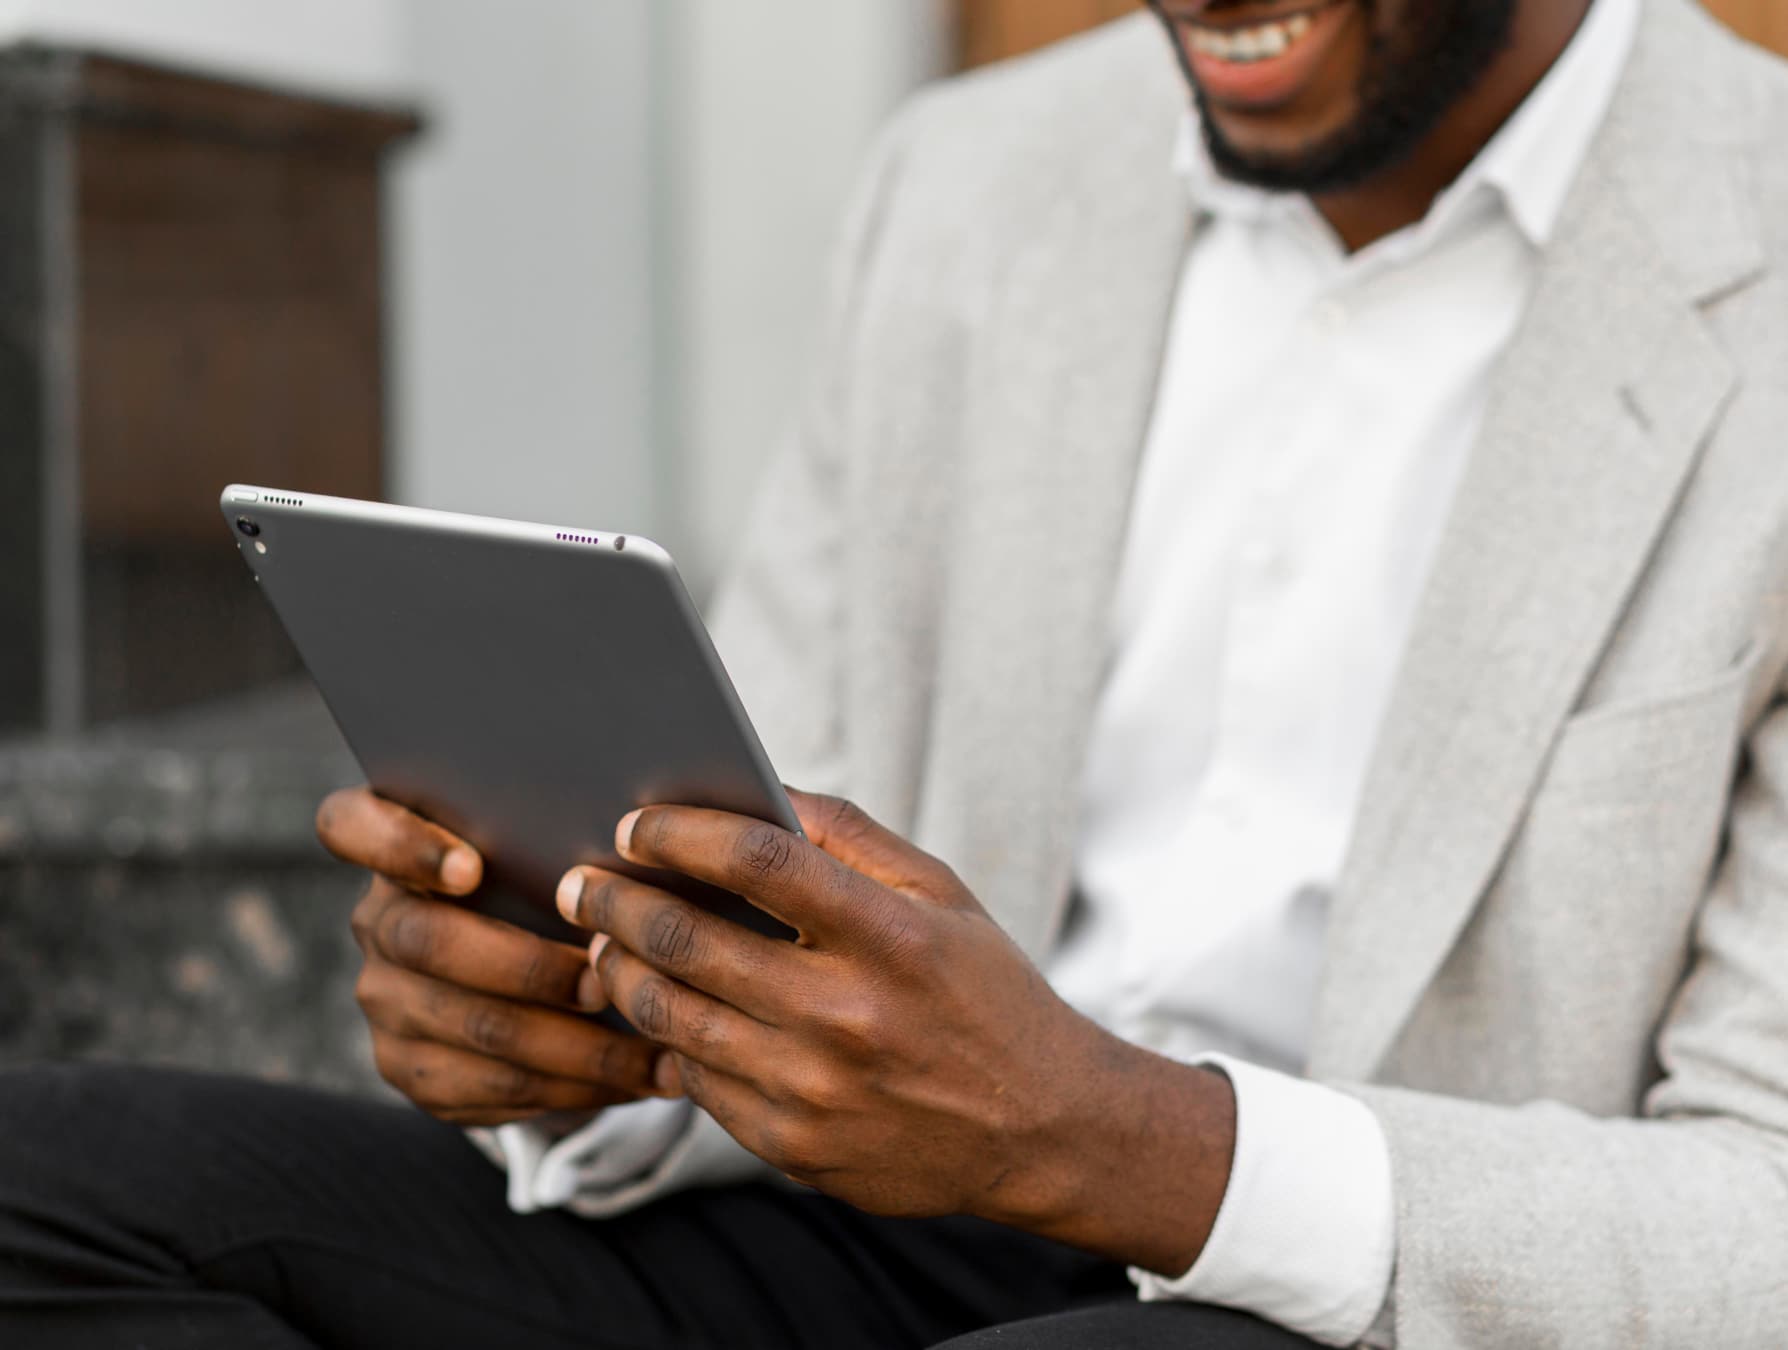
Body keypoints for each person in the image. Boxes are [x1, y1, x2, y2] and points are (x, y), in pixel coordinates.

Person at [5, 0, 1788, 1345]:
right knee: (49, 1189)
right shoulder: (973, 180)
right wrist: (590, 1012)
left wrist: (1109, 1137)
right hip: (883, 1210)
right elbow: (765, 791)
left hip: (1390, 1279)